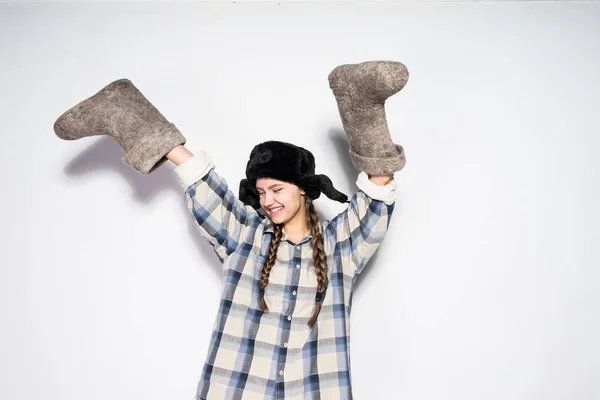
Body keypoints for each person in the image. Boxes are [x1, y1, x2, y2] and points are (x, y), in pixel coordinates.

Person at [54, 60, 408, 400]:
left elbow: (376, 198)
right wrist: (129, 118)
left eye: (277, 189)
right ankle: (121, 103)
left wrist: (363, 110)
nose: (267, 200)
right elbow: (202, 183)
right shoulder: (245, 235)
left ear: (302, 188)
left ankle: (352, 91)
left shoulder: (340, 247)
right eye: (261, 192)